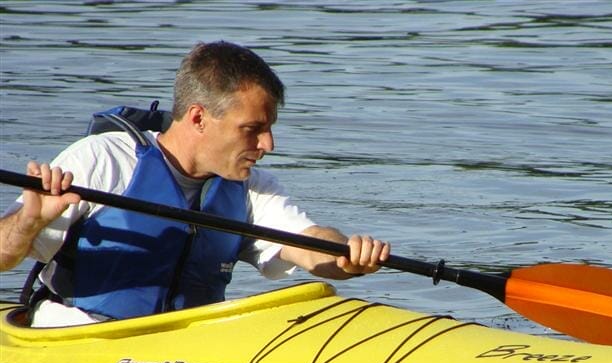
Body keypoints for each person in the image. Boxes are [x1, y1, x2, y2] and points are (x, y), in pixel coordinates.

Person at [0, 41, 390, 327]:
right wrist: (31, 220)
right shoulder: (101, 160)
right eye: (252, 130)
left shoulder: (252, 188)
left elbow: (308, 245)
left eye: (269, 130)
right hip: (78, 337)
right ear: (199, 118)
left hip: (187, 352)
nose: (268, 145)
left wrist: (347, 255)